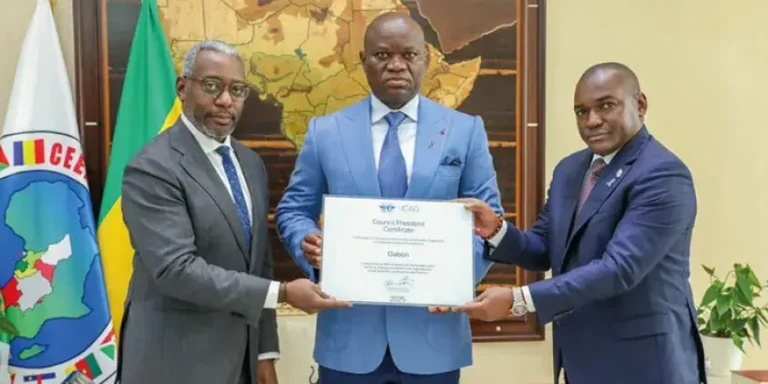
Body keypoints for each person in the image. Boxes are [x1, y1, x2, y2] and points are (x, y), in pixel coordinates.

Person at [274, 12, 504, 384]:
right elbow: (294, 209)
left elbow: (489, 220)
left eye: (409, 55)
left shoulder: (465, 131)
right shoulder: (326, 132)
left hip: (434, 337)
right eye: (382, 55)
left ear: (426, 59)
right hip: (348, 339)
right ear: (363, 61)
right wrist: (307, 243)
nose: (396, 65)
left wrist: (456, 279)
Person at [453, 62, 707, 384]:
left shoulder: (663, 174)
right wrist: (495, 230)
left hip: (645, 363)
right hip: (582, 360)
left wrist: (519, 300)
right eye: (581, 111)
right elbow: (545, 248)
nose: (592, 121)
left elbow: (619, 268)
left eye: (606, 106)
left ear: (640, 105)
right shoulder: (570, 170)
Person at [117, 40, 350, 384]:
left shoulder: (249, 163)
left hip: (240, 361)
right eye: (212, 86)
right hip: (173, 362)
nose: (226, 100)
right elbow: (177, 270)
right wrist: (283, 294)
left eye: (237, 89)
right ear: (183, 88)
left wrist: (264, 352)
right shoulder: (152, 168)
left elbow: (259, 262)